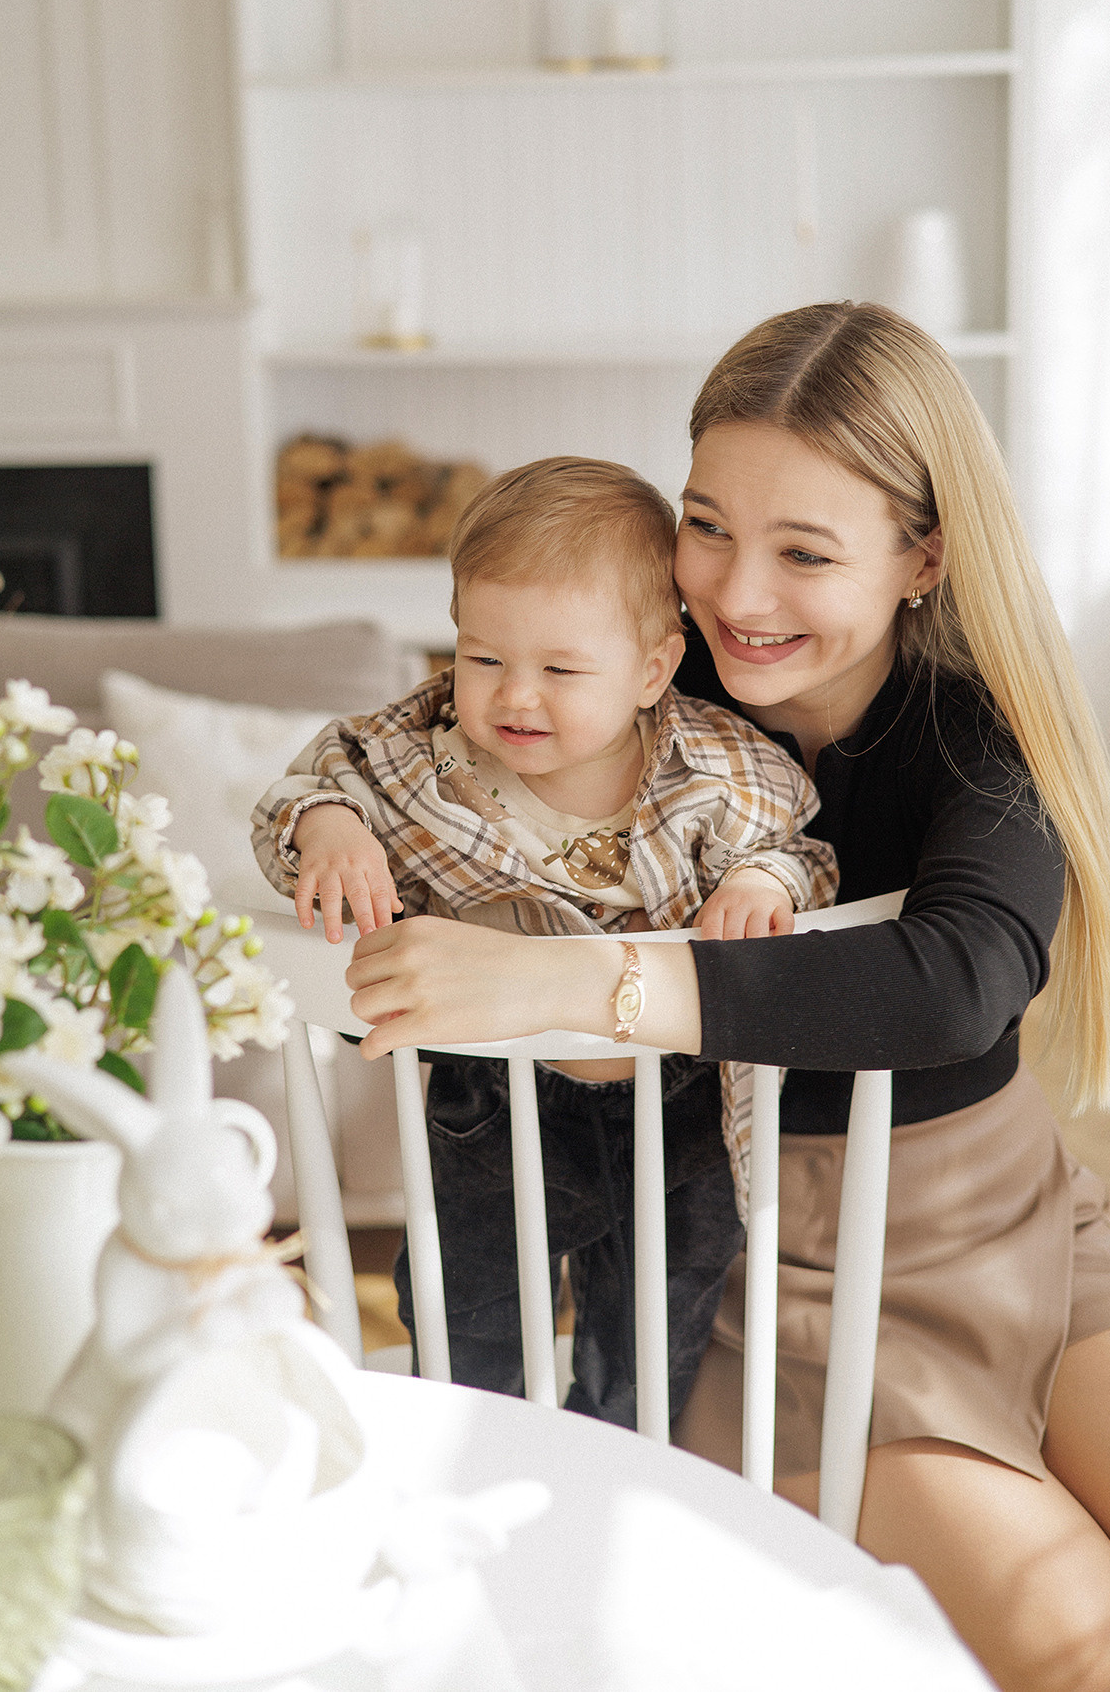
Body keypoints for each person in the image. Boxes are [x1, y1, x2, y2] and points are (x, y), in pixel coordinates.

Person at [340, 305, 1110, 1692]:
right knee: (1067, 1625)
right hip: (770, 1260)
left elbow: (955, 977)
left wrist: (579, 979)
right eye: (706, 526)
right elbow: (400, 792)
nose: (736, 594)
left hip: (1004, 1217)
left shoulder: (968, 728)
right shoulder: (600, 708)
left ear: (922, 555)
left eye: (804, 551)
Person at [252, 456, 836, 1428]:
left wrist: (760, 879)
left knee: (654, 1322)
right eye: (482, 657)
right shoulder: (421, 757)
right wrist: (329, 827)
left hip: (677, 1102)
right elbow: (305, 786)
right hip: (493, 1104)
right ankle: (479, 1452)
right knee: (465, 1317)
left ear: (653, 667)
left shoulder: (715, 770)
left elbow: (801, 851)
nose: (514, 695)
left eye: (560, 669)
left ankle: (616, 1453)